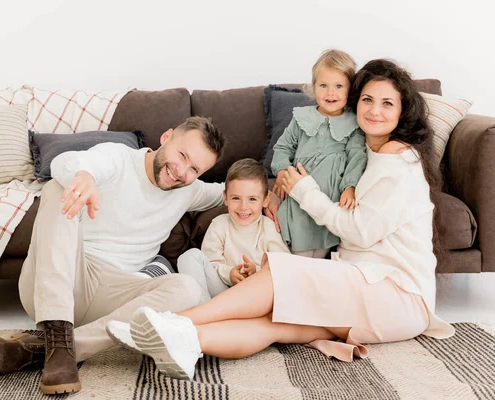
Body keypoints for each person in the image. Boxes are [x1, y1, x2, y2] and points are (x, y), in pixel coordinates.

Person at [107, 59, 455, 381]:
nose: (374, 110)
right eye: (367, 100)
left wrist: (303, 189)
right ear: (354, 103)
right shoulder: (365, 151)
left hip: (397, 295)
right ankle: (187, 341)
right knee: (274, 324)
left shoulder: (399, 163)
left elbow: (359, 232)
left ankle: (172, 322)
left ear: (403, 112)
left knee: (279, 271)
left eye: (387, 103)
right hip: (375, 294)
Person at [0, 116, 247, 395]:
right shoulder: (118, 158)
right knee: (57, 186)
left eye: (195, 169)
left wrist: (272, 197)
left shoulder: (187, 190)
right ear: (166, 137)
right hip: (66, 279)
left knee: (188, 289)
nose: (181, 171)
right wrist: (84, 176)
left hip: (115, 295)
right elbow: (65, 164)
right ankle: (57, 332)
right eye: (182, 155)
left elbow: (230, 194)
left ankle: (49, 350)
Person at [272, 49, 367, 259]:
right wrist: (280, 172)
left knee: (321, 254)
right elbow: (282, 148)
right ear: (314, 87)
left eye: (339, 86)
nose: (330, 93)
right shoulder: (301, 118)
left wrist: (349, 186)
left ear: (350, 90)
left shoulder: (354, 124)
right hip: (297, 196)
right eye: (323, 85)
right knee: (299, 252)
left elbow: (356, 156)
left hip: (328, 199)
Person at [176, 158, 290, 303]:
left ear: (265, 200)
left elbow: (283, 266)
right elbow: (211, 263)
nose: (243, 207)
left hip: (254, 295)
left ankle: (210, 312)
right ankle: (202, 307)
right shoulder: (219, 225)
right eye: (236, 198)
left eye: (252, 199)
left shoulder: (268, 227)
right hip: (223, 291)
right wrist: (229, 273)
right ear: (226, 198)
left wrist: (256, 271)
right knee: (189, 256)